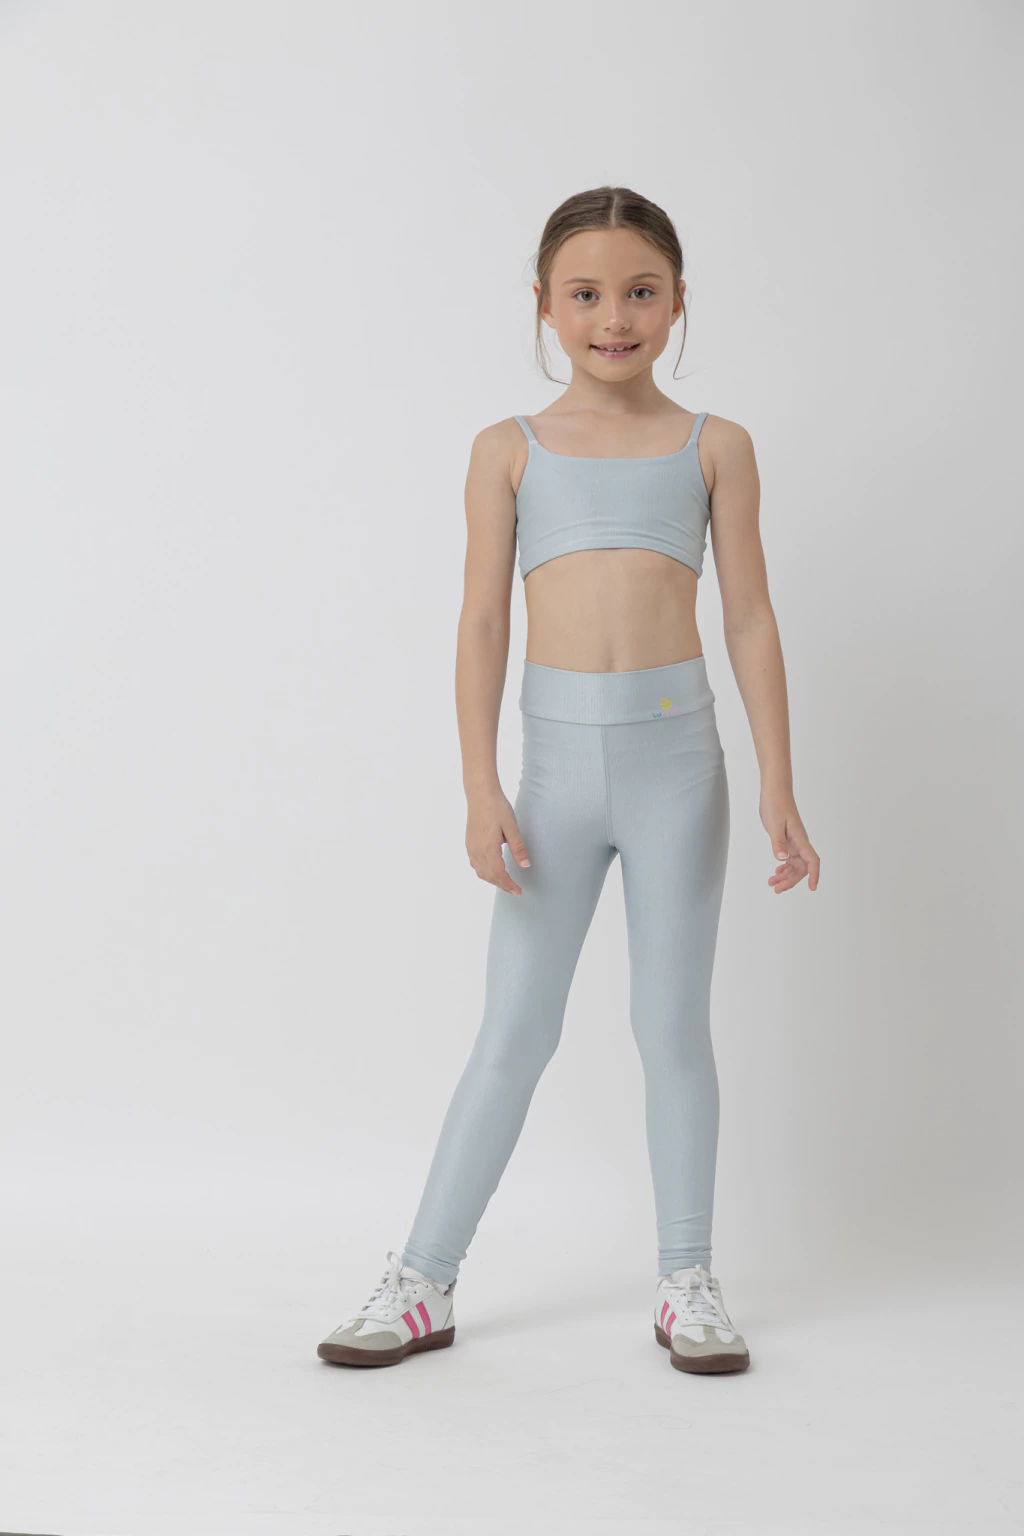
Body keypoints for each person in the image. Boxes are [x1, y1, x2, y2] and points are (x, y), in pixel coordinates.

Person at [318, 184, 820, 1376]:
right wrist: (478, 785)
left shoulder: (715, 447)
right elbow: (483, 619)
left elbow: (748, 617)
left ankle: (687, 1282)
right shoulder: (508, 450)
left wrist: (778, 784)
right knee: (513, 1030)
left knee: (670, 1027)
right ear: (543, 304)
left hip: (675, 770)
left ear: (678, 301)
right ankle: (423, 1279)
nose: (613, 318)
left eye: (640, 293)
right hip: (548, 779)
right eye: (585, 294)